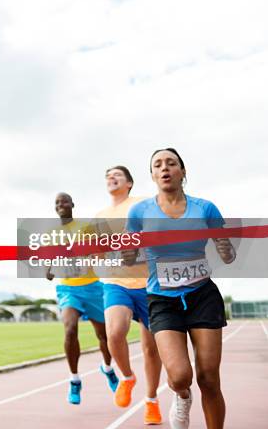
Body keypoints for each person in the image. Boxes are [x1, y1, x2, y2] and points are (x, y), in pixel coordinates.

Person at [125, 148, 236, 429]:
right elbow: (128, 256)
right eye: (158, 165)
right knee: (179, 377)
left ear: (182, 171)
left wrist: (225, 248)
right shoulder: (139, 211)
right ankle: (182, 397)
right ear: (152, 175)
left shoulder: (205, 208)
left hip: (202, 295)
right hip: (163, 300)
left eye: (171, 163)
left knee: (209, 378)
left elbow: (228, 254)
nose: (165, 168)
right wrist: (125, 251)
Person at [96, 166, 162, 425]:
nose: (111, 177)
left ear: (130, 183)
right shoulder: (100, 216)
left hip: (148, 284)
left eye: (117, 175)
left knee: (150, 349)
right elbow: (99, 252)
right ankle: (126, 376)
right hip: (116, 282)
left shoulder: (143, 205)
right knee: (115, 331)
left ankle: (152, 400)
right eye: (107, 175)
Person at [47, 192, 118, 405]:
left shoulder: (85, 227)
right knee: (69, 328)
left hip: (93, 287)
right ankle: (75, 380)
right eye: (57, 202)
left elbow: (98, 252)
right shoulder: (52, 233)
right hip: (68, 289)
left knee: (105, 336)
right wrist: (48, 270)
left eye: (65, 201)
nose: (61, 204)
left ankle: (107, 368)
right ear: (55, 207)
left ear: (72, 204)